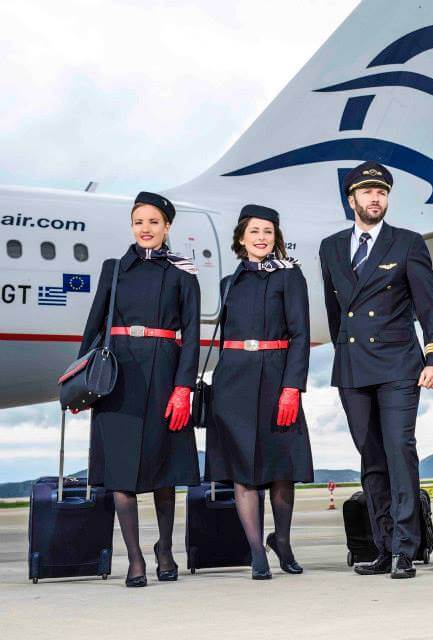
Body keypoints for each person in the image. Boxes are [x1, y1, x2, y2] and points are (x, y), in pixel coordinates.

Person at [320, 161, 433, 580]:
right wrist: (342, 351)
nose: (376, 198)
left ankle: (407, 549)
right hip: (353, 367)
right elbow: (336, 310)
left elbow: (430, 305)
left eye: (382, 192)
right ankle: (384, 545)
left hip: (398, 365)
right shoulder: (331, 248)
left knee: (399, 451)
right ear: (351, 198)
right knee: (371, 460)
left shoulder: (408, 243)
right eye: (368, 192)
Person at [77, 191, 200, 587]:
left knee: (164, 470)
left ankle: (164, 549)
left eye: (153, 222)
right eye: (138, 222)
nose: (145, 229)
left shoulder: (183, 272)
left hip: (164, 372)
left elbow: (193, 335)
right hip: (118, 377)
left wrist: (184, 388)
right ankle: (134, 560)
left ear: (167, 227)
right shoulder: (113, 269)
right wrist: (82, 383)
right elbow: (93, 326)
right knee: (120, 473)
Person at [206, 204, 314, 579]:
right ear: (241, 238)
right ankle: (256, 551)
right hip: (233, 380)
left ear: (276, 238)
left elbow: (301, 335)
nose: (261, 238)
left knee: (281, 468)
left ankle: (281, 541)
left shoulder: (290, 277)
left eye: (268, 231)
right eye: (254, 231)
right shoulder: (228, 283)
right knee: (243, 471)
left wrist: (292, 387)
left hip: (276, 375)